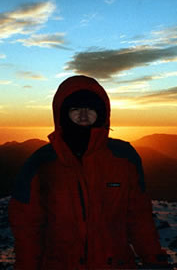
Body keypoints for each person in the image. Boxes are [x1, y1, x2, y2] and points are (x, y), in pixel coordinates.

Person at [8, 75, 171, 270]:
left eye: (91, 108)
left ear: (102, 113)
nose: (83, 115)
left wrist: (154, 260)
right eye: (75, 109)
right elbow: (27, 227)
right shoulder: (41, 163)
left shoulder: (124, 158)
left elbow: (139, 218)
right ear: (61, 113)